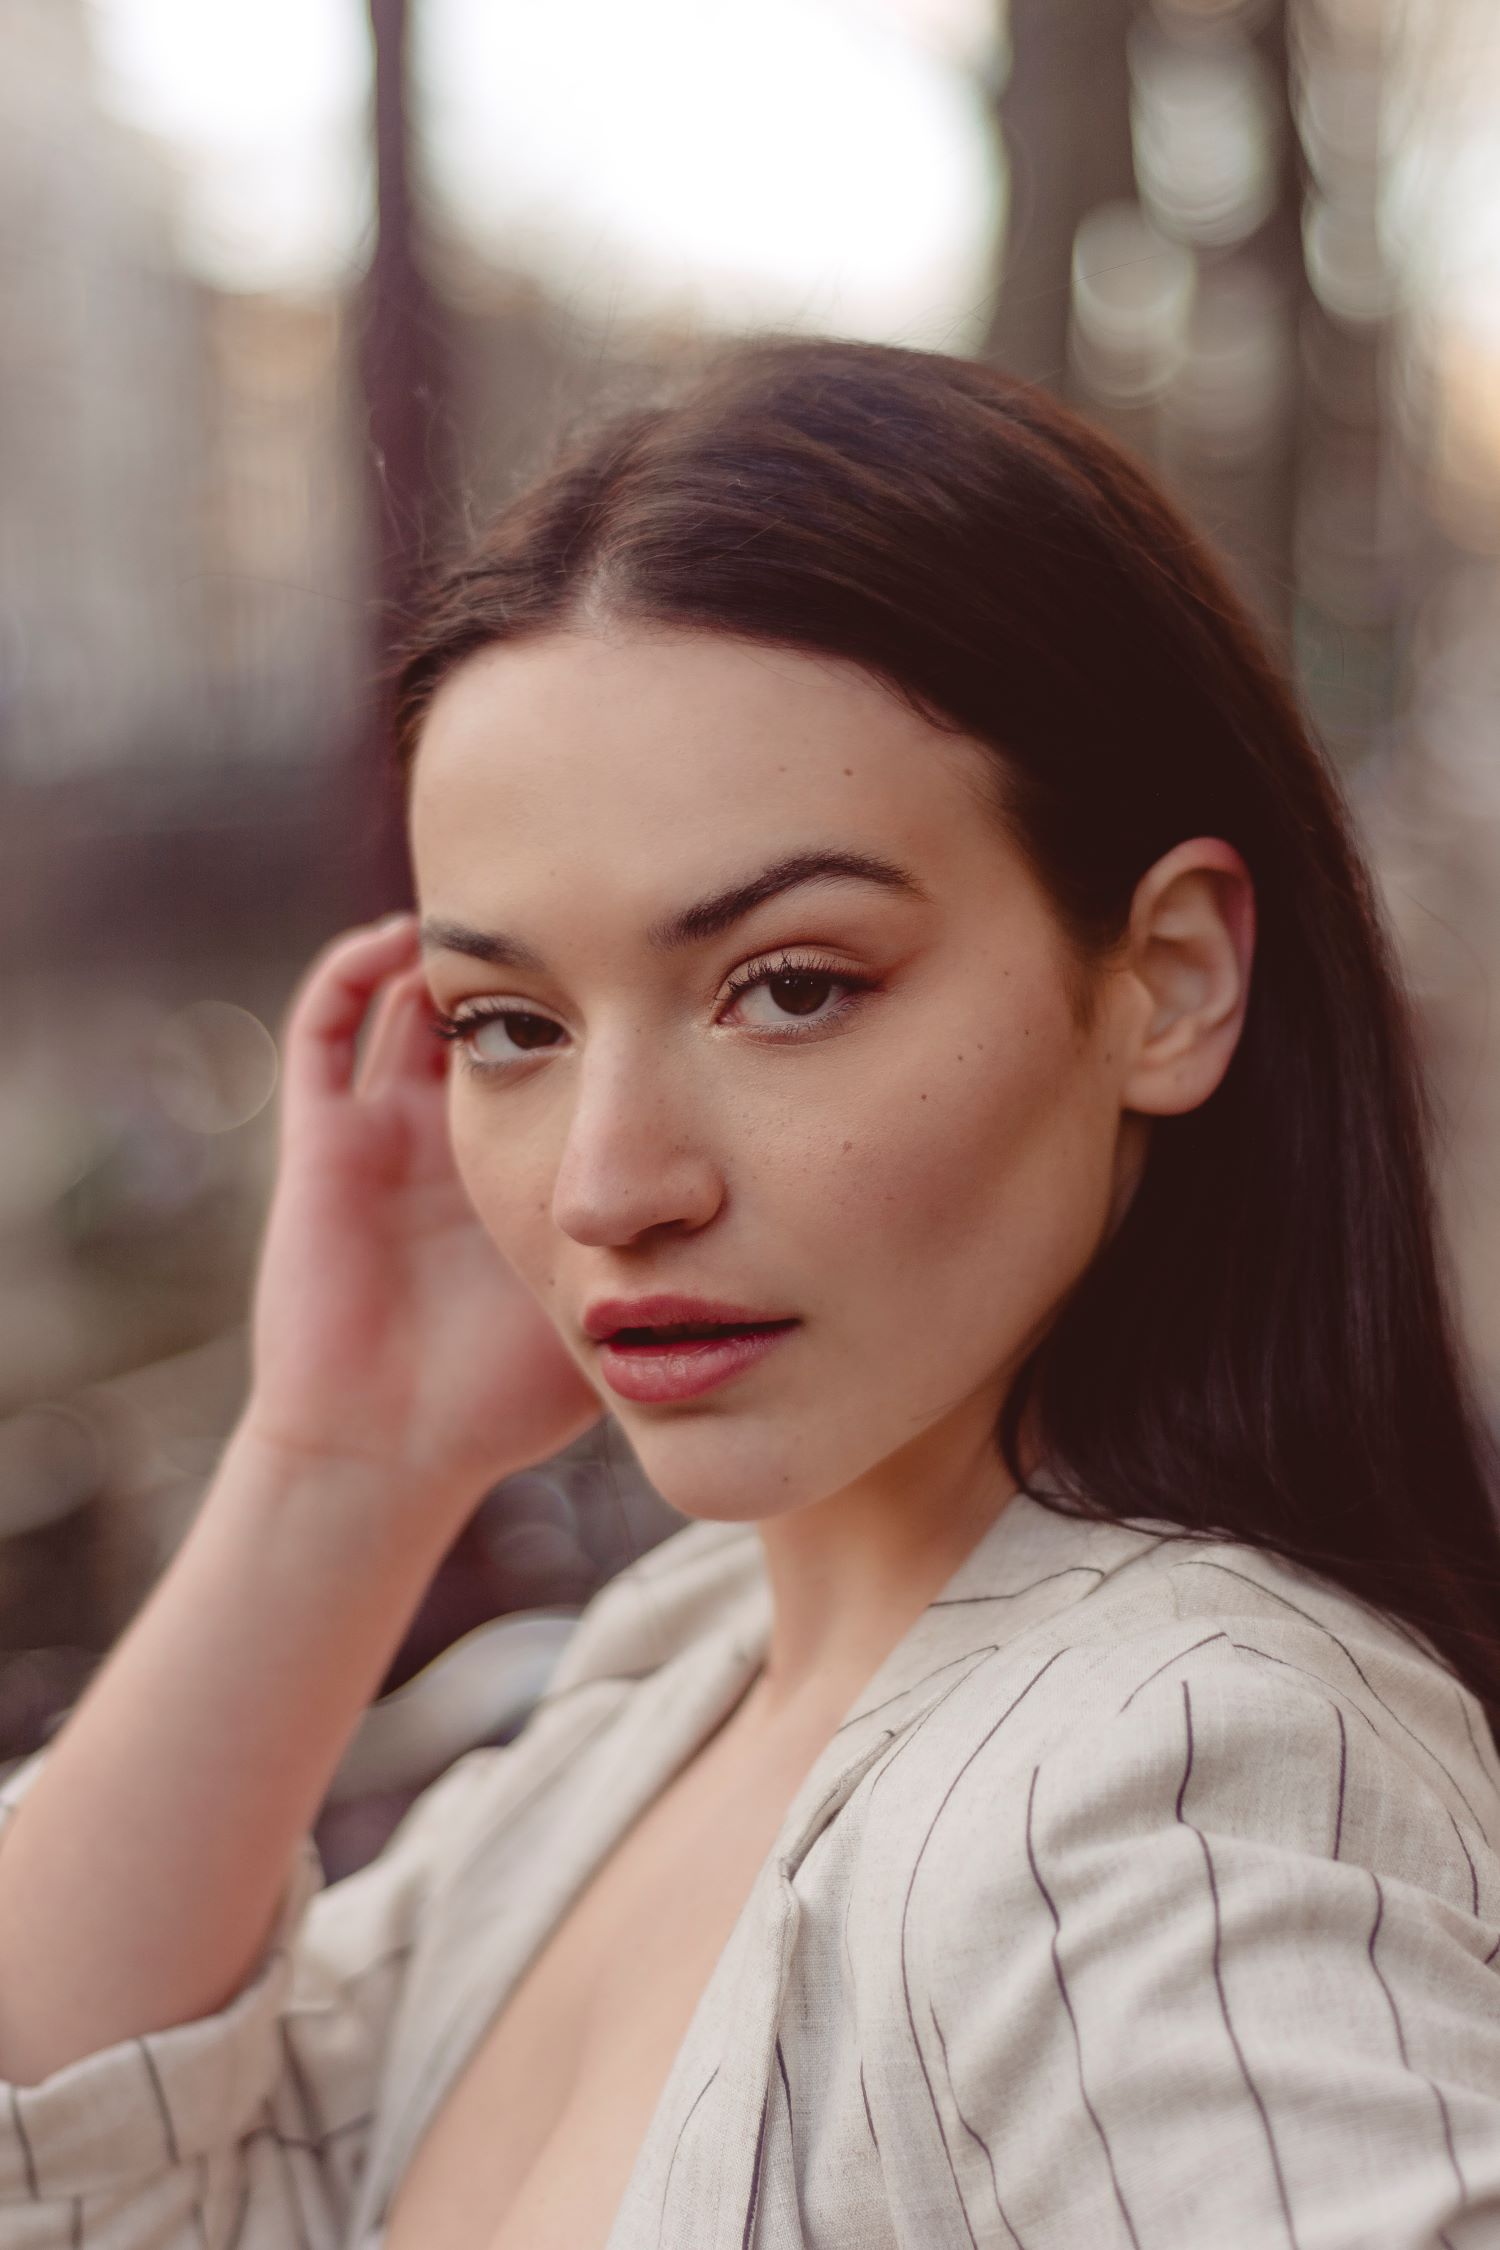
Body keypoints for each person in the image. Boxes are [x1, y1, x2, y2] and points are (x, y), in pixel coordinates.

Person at [3, 334, 1500, 2250]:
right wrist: (341, 1459)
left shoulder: (1168, 1793)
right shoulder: (678, 1672)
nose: (612, 1184)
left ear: (1169, 978)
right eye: (510, 1023)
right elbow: (73, 2164)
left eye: (792, 983)